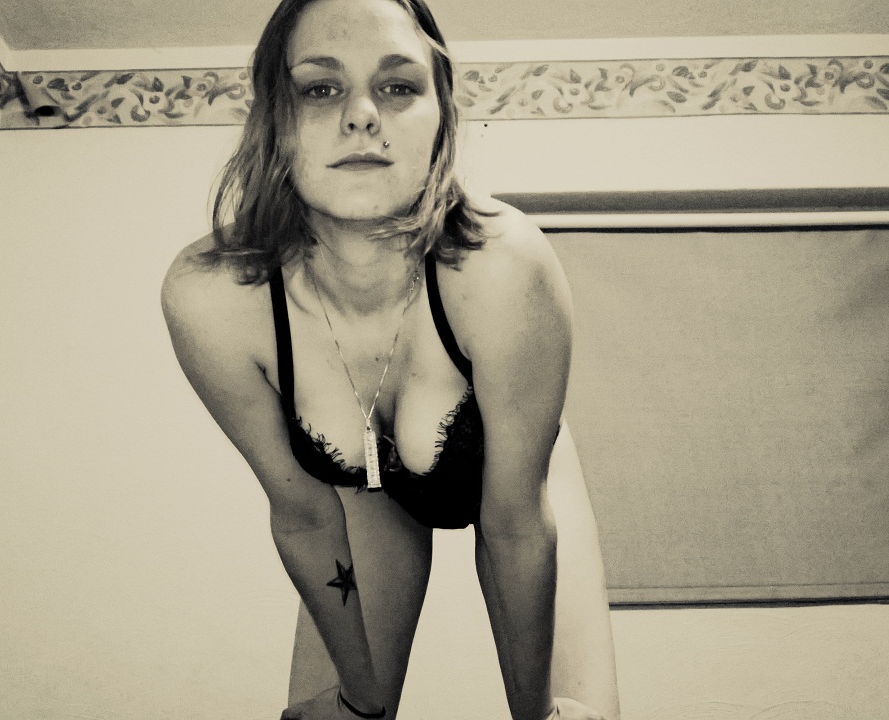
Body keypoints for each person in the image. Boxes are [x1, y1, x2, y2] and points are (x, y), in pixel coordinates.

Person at [161, 0, 619, 717]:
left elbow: (515, 524)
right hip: (364, 501)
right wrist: (362, 703)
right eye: (320, 88)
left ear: (442, 115)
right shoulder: (211, 298)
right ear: (273, 118)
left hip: (523, 495)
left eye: (398, 86)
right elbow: (304, 516)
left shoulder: (504, 265)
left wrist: (537, 714)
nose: (361, 115)